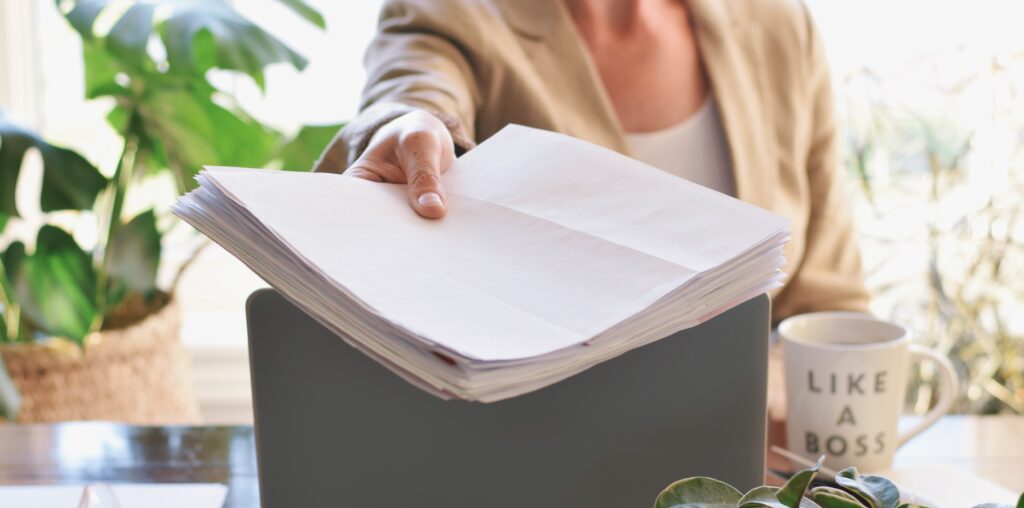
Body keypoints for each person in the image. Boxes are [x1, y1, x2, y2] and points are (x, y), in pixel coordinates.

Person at [315, 0, 870, 323]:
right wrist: (409, 125)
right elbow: (412, 91)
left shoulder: (776, 24)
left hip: (754, 476)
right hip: (544, 450)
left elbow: (829, 302)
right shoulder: (457, 13)